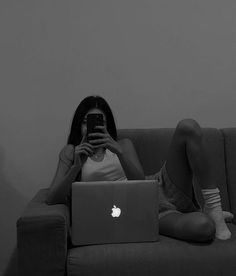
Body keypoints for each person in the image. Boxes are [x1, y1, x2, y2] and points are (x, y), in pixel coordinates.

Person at [46, 95, 233, 242]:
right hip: (142, 210)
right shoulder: (71, 152)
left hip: (157, 187)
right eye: (87, 122)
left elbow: (140, 180)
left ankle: (214, 209)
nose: (93, 127)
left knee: (188, 126)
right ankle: (205, 215)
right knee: (204, 229)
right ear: (79, 125)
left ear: (107, 125)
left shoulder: (123, 145)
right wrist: (74, 168)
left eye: (100, 122)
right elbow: (52, 198)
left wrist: (118, 150)